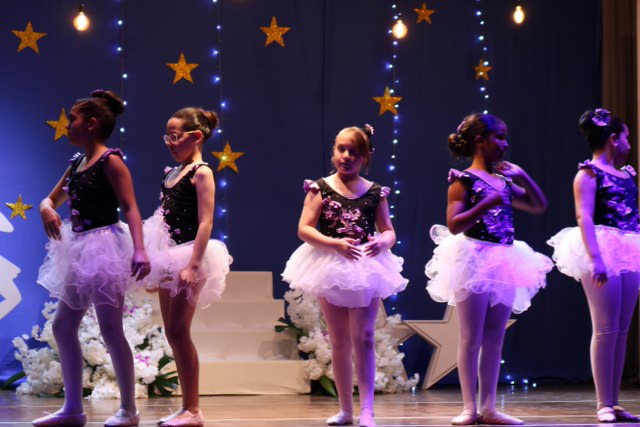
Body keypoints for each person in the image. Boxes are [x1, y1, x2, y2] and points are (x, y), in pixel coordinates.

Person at [425, 113, 552, 425]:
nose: (505, 144)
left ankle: (490, 408)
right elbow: (454, 225)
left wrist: (523, 175)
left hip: (504, 259)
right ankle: (469, 407)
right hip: (473, 259)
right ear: (480, 141)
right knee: (471, 337)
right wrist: (485, 204)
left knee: (495, 338)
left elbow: (538, 205)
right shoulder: (463, 180)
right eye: (500, 137)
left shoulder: (505, 182)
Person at [35, 90, 149, 427]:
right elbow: (50, 199)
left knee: (111, 329)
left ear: (92, 124)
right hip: (79, 247)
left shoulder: (111, 161)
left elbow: (130, 207)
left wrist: (139, 249)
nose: (68, 125)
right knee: (62, 325)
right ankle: (73, 408)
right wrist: (45, 209)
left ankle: (128, 409)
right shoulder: (75, 164)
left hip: (105, 248)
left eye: (73, 119)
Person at [282, 125, 408, 427]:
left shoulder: (375, 192)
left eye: (354, 151)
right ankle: (346, 410)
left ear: (365, 157)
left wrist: (383, 242)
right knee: (339, 341)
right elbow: (304, 229)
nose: (346, 156)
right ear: (333, 151)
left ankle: (367, 411)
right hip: (331, 265)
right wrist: (334, 244)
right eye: (341, 149)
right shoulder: (320, 188)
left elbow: (388, 230)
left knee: (364, 337)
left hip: (365, 266)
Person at [548, 109, 640, 423]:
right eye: (626, 137)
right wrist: (596, 258)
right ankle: (603, 403)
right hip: (601, 246)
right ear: (613, 139)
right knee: (605, 328)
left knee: (622, 330)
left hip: (629, 247)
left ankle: (614, 402)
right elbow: (584, 216)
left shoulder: (627, 175)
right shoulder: (588, 174)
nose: (629, 143)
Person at [143, 107, 232, 427]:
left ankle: (193, 410)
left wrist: (193, 264)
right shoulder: (171, 173)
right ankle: (187, 408)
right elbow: (162, 221)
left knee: (180, 332)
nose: (170, 142)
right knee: (173, 332)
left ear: (195, 137)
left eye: (175, 136)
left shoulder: (202, 172)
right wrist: (155, 264)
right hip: (168, 257)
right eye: (167, 136)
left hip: (189, 256)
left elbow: (206, 221)